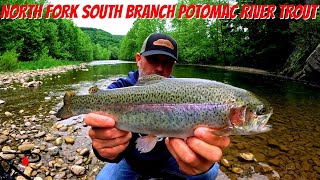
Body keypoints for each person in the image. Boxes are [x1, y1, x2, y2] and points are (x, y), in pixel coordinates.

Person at [84, 33, 230, 180]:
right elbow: (101, 136)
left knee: (209, 172)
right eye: (153, 60)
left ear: (173, 66)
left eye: (167, 62)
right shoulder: (118, 90)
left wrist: (198, 156)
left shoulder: (182, 92)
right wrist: (103, 150)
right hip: (131, 162)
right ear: (138, 59)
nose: (160, 68)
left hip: (169, 159)